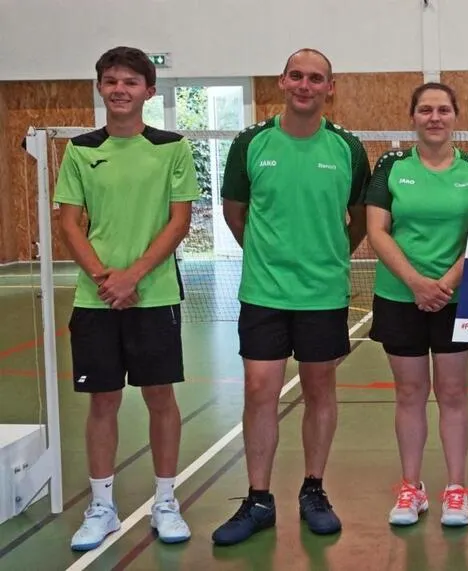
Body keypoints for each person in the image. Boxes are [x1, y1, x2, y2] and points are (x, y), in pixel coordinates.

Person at [211, 48, 370, 546]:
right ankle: (258, 499)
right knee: (259, 389)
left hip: (323, 294)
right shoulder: (251, 143)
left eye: (316, 78)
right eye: (296, 76)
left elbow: (359, 218)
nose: (305, 85)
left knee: (320, 390)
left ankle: (313, 490)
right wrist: (267, 255)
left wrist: (329, 256)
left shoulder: (347, 148)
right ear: (282, 81)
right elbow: (234, 211)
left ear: (330, 87)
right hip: (265, 292)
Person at [54, 46, 199, 550]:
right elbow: (69, 223)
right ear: (100, 87)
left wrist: (133, 276)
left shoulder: (172, 148)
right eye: (111, 81)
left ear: (149, 91)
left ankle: (166, 502)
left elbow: (179, 221)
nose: (120, 89)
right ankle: (102, 507)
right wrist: (105, 279)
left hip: (154, 296)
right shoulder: (80, 150)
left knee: (160, 397)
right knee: (103, 401)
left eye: (131, 82)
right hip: (97, 299)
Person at [364, 82, 468, 527]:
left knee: (453, 394)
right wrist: (416, 283)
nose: (435, 118)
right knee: (410, 393)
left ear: (456, 116)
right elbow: (377, 230)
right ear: (412, 116)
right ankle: (411, 488)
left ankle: (456, 489)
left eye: (443, 110)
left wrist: (447, 283)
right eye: (426, 110)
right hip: (400, 296)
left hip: (457, 298)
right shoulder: (391, 166)